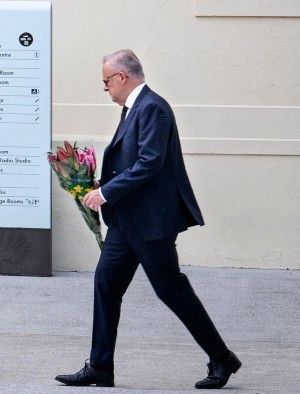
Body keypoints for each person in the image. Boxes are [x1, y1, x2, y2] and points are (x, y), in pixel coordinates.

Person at [55, 49, 241, 389]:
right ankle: (100, 367)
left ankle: (222, 358)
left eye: (106, 81)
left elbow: (150, 162)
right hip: (127, 222)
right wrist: (102, 184)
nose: (105, 88)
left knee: (171, 289)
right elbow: (133, 162)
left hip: (150, 222)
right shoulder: (134, 108)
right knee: (106, 285)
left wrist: (106, 193)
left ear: (122, 77)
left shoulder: (152, 107)